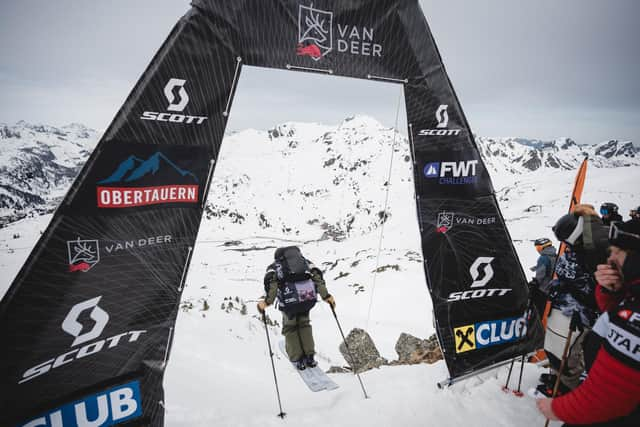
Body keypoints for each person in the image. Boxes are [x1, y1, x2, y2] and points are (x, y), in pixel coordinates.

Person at [536, 220, 640, 426]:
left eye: (616, 253)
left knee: (570, 354)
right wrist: (613, 289)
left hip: (611, 413)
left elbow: (607, 397)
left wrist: (556, 409)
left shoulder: (633, 316)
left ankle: (566, 385)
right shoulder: (631, 292)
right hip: (582, 326)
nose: (609, 259)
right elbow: (610, 310)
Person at [534, 205, 606, 396]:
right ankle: (558, 378)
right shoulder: (579, 246)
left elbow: (595, 287)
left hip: (579, 312)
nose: (565, 244)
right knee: (554, 346)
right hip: (564, 306)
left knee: (568, 352)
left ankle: (567, 387)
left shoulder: (595, 248)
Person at [257, 246, 335, 370]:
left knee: (290, 328)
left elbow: (272, 286)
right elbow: (318, 278)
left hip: (289, 305)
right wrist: (327, 296)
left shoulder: (274, 267)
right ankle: (310, 357)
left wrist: (266, 303)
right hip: (307, 300)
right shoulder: (305, 263)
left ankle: (298, 359)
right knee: (304, 325)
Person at [529, 237, 557, 317]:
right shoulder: (555, 255)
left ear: (543, 247)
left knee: (537, 309)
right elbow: (551, 266)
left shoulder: (543, 258)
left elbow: (540, 276)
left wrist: (534, 283)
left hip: (543, 289)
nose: (538, 250)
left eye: (538, 248)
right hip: (551, 288)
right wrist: (536, 267)